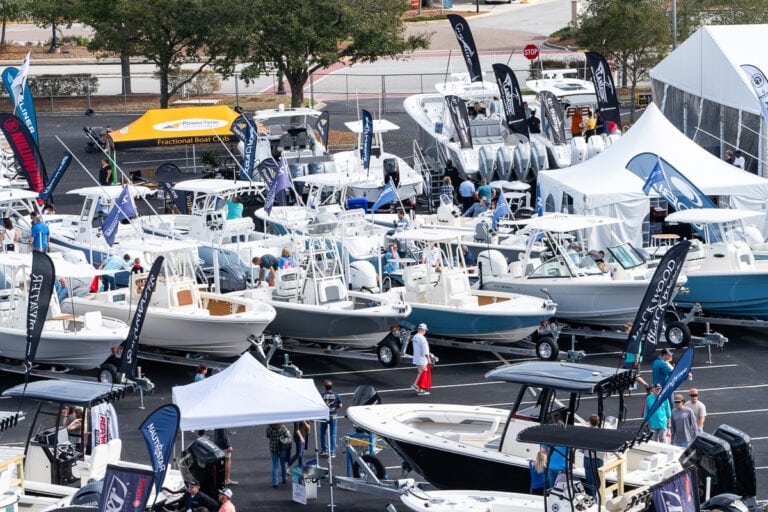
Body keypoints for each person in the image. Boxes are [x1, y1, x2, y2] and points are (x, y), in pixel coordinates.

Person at [621, 322, 649, 391]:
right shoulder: (631, 336)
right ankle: (632, 387)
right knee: (630, 375)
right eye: (625, 328)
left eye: (627, 328)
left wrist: (636, 360)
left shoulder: (635, 336)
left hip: (633, 360)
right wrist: (624, 353)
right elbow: (629, 346)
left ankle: (647, 386)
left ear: (632, 328)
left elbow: (636, 349)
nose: (625, 329)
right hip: (629, 359)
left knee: (635, 375)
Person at [582, 414, 605, 498]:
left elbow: (581, 447)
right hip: (599, 459)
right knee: (598, 480)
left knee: (589, 480)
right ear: (598, 422)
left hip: (588, 458)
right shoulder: (603, 433)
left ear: (589, 422)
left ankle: (592, 498)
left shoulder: (585, 433)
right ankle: (597, 496)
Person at [319, 380, 342, 457]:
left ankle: (324, 450)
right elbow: (340, 405)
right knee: (333, 434)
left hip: (324, 416)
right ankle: (332, 452)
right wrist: (335, 407)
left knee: (323, 433)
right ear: (331, 387)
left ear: (325, 387)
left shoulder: (322, 395)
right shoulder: (336, 395)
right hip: (334, 415)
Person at [266, 423, 292, 488]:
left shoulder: (269, 428)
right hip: (282, 448)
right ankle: (284, 479)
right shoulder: (282, 427)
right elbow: (288, 436)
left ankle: (275, 483)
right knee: (283, 464)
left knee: (275, 466)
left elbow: (268, 436)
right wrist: (288, 433)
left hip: (273, 449)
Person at [411, 323, 432, 395]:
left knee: (421, 373)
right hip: (422, 359)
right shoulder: (422, 338)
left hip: (416, 358)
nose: (425, 331)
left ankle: (420, 390)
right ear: (422, 330)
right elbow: (425, 350)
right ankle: (415, 385)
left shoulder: (415, 337)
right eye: (425, 330)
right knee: (422, 373)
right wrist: (428, 358)